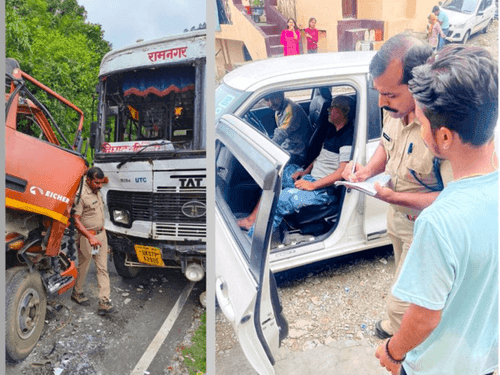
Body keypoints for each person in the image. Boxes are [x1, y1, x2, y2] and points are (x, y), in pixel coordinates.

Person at [375, 44, 498, 375]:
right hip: (484, 361)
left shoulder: (439, 222)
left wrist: (393, 350)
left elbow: (424, 317)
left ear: (443, 136)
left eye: (422, 117)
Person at [342, 33, 453, 339]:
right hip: (397, 220)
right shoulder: (395, 110)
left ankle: (400, 341)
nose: (381, 102)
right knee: (401, 278)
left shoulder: (442, 130)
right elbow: (386, 145)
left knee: (403, 302)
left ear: (418, 85)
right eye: (379, 93)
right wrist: (367, 171)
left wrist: (398, 196)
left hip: (424, 228)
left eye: (389, 95)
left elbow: (456, 200)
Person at [248, 95, 355, 238]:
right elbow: (321, 157)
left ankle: (253, 240)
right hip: (311, 177)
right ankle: (253, 220)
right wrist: (305, 171)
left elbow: (342, 172)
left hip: (324, 190)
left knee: (280, 199)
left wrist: (314, 185)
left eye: (333, 107)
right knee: (279, 173)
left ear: (344, 112)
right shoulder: (332, 130)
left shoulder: (347, 138)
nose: (328, 109)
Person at [238, 91, 312, 230]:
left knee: (272, 177)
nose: (269, 104)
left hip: (297, 155)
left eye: (271, 99)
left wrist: (264, 152)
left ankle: (252, 220)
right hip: (288, 149)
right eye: (266, 100)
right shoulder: (280, 109)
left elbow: (279, 136)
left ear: (281, 94)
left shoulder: (291, 111)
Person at [71, 167, 115, 315]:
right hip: (86, 236)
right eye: (96, 183)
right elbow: (76, 221)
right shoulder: (81, 195)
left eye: (101, 183)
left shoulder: (96, 187)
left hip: (101, 235)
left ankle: (104, 301)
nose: (99, 186)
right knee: (84, 266)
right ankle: (77, 293)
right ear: (88, 180)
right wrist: (90, 237)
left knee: (103, 268)